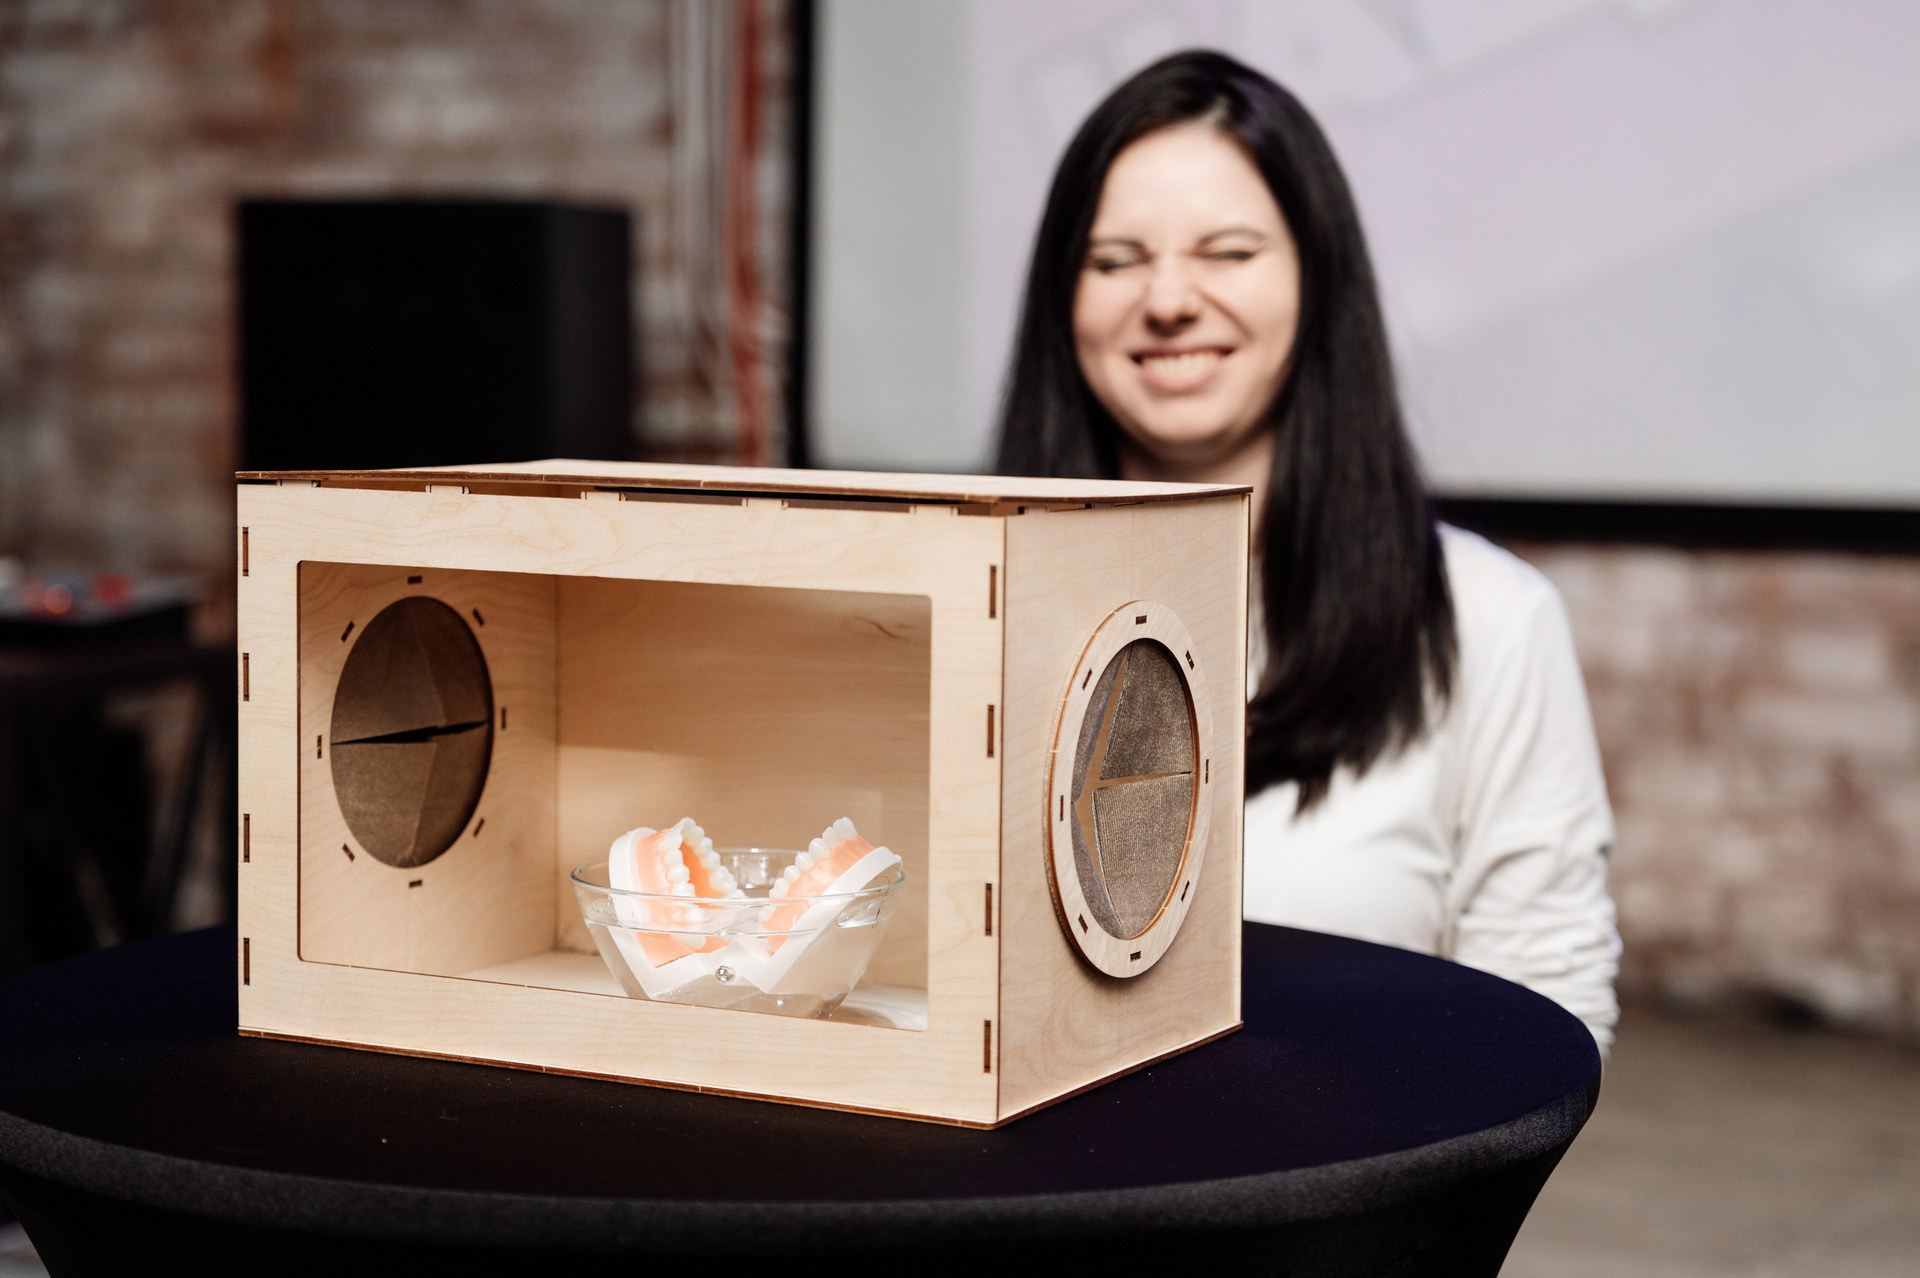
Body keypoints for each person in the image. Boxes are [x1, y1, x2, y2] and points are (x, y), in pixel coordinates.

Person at [993, 50, 1620, 1050]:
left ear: (1316, 277)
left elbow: (1547, 1017)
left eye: (1228, 252)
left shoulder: (1489, 619)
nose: (1167, 299)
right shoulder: (972, 607)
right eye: (1114, 261)